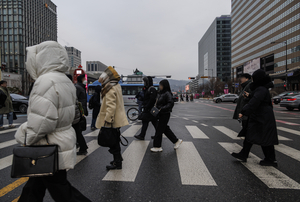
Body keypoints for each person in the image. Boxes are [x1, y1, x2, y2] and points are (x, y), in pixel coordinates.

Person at [15, 41, 91, 202]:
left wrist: (25, 137)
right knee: (34, 189)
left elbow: (43, 121)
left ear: (41, 59)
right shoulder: (64, 80)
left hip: (47, 145)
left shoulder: (45, 81)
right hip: (58, 142)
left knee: (61, 191)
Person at [231, 69, 279, 166]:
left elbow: (255, 102)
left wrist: (244, 111)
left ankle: (270, 160)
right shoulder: (261, 89)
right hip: (261, 117)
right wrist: (249, 96)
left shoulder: (261, 89)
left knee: (264, 138)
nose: (253, 81)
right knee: (252, 135)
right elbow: (255, 98)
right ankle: (244, 154)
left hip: (262, 117)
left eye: (254, 79)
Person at [96, 66, 129, 170]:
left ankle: (117, 162)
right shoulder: (116, 86)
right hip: (117, 119)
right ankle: (117, 159)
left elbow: (111, 106)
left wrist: (108, 120)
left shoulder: (110, 88)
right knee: (115, 141)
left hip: (111, 120)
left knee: (112, 143)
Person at [151, 79, 183, 152]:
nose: (160, 87)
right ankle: (176, 141)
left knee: (159, 130)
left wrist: (161, 109)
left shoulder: (167, 93)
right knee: (165, 129)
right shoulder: (161, 93)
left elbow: (170, 103)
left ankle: (157, 146)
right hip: (160, 113)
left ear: (164, 86)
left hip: (165, 114)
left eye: (161, 85)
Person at [134, 76, 157, 140]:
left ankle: (142, 135)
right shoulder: (147, 89)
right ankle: (143, 135)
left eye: (145, 82)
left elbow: (152, 99)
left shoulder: (152, 89)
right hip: (148, 109)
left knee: (149, 122)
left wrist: (147, 106)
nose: (144, 83)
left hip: (149, 109)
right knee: (150, 122)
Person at [74, 74, 89, 155]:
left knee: (77, 131)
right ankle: (81, 146)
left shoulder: (78, 87)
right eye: (84, 78)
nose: (85, 80)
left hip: (78, 112)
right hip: (80, 111)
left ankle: (82, 147)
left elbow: (77, 101)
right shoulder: (80, 87)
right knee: (77, 130)